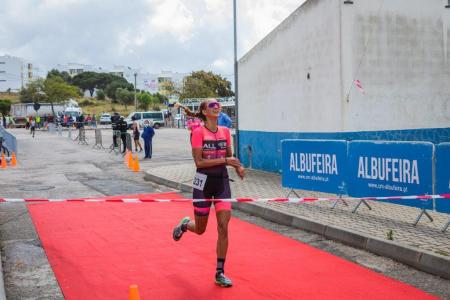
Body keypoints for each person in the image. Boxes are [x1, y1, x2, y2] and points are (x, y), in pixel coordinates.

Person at [172, 99, 245, 288]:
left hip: (221, 183)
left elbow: (230, 156)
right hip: (202, 183)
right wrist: (226, 161)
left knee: (223, 226)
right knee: (201, 229)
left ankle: (220, 272)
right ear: (204, 111)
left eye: (218, 105)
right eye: (212, 105)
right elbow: (200, 162)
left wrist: (238, 167)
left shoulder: (225, 132)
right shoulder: (197, 132)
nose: (217, 107)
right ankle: (186, 224)